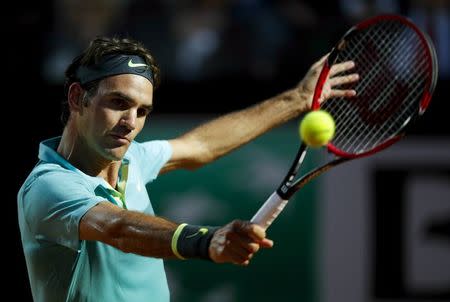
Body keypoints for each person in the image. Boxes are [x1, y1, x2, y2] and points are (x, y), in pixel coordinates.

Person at [17, 36, 358, 302]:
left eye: (142, 111)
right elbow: (117, 227)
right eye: (118, 103)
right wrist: (206, 241)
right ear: (78, 98)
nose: (130, 123)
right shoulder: (49, 187)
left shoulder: (132, 160)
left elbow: (202, 146)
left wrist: (298, 98)